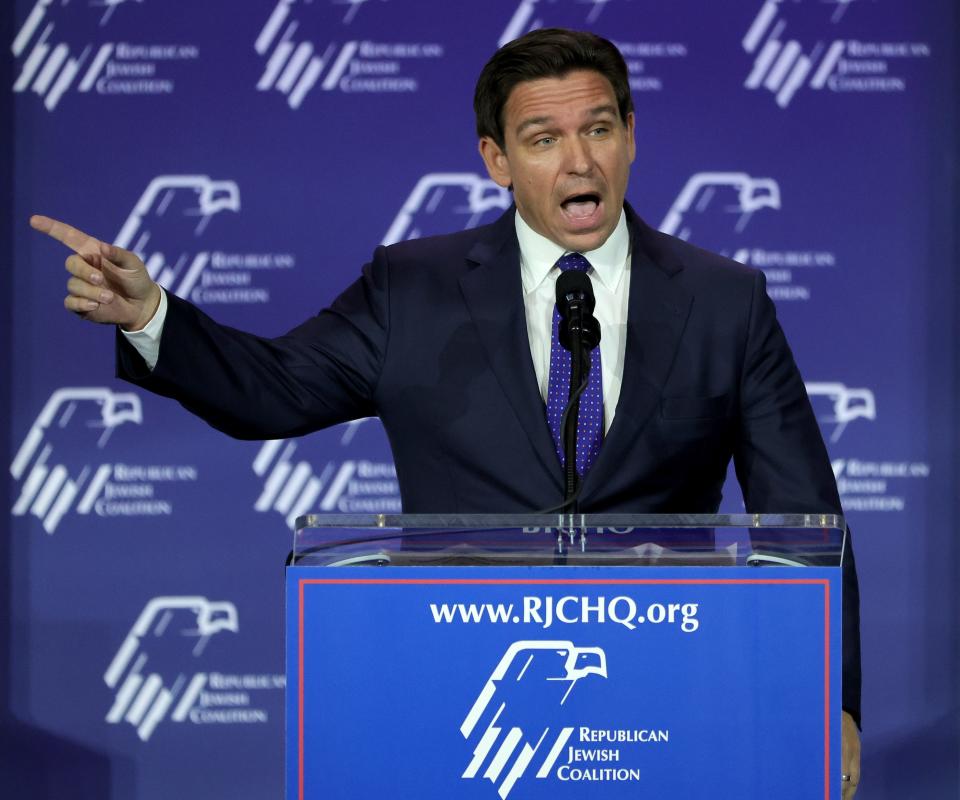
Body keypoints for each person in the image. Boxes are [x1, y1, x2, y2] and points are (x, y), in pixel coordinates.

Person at [31, 28, 860, 795]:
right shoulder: (415, 289)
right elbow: (271, 388)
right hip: (459, 699)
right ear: (496, 160)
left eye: (599, 130)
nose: (580, 162)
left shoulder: (725, 301)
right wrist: (151, 318)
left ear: (631, 135)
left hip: (667, 705)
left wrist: (835, 701)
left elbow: (805, 517)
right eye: (544, 140)